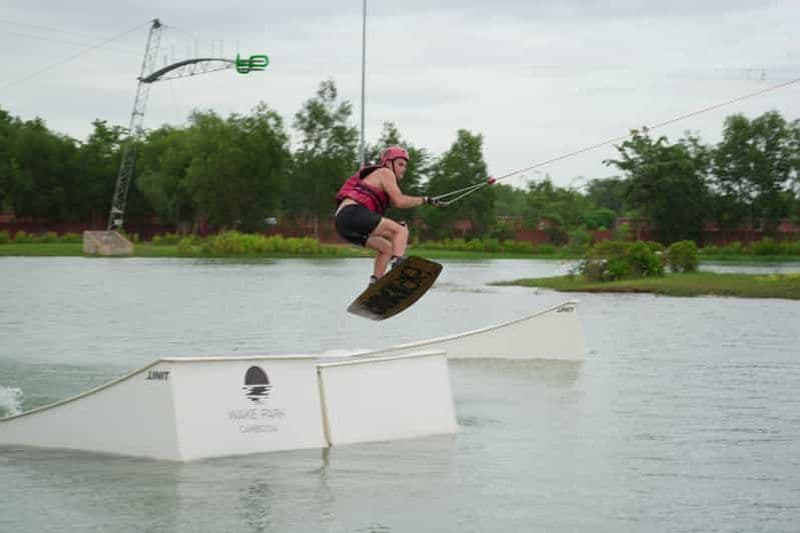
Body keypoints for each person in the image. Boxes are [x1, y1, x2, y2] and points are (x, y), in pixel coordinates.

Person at [335, 146, 440, 286]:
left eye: (405, 166)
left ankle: (375, 283)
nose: (404, 168)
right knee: (400, 231)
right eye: (400, 164)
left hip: (342, 224)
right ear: (389, 163)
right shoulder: (386, 172)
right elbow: (400, 201)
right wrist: (425, 200)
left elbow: (392, 205)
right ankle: (399, 268)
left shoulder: (377, 178)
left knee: (387, 249)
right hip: (352, 213)